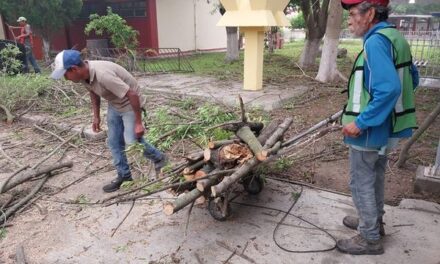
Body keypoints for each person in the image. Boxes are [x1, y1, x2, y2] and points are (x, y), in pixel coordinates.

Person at [339, 0, 418, 255]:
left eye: (352, 14)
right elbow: (411, 79)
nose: (349, 20)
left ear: (370, 13)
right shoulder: (395, 37)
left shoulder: (375, 42)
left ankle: (368, 237)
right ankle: (373, 220)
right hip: (386, 127)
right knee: (376, 177)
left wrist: (362, 122)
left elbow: (389, 88)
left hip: (369, 129)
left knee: (360, 181)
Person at [50, 50, 168, 193]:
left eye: (65, 74)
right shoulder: (83, 76)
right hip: (115, 103)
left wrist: (138, 122)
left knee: (132, 141)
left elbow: (132, 94)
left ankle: (160, 158)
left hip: (130, 103)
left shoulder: (103, 75)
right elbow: (93, 91)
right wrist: (96, 116)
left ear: (74, 69)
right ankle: (124, 176)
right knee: (114, 142)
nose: (66, 78)